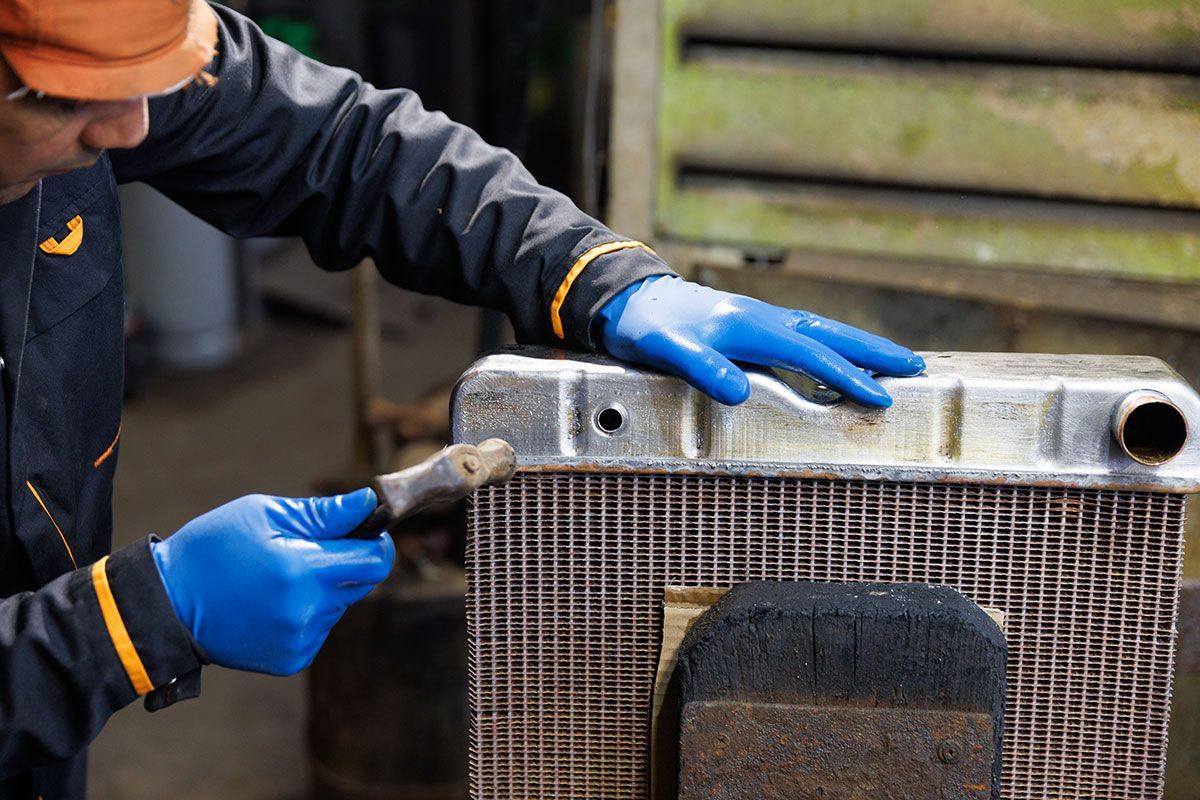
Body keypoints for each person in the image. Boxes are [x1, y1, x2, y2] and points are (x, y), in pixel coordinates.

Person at [0, 0, 925, 796]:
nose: (129, 131)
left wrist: (596, 277)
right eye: (70, 99)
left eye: (146, 75)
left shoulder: (92, 78)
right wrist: (122, 626)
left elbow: (345, 144)